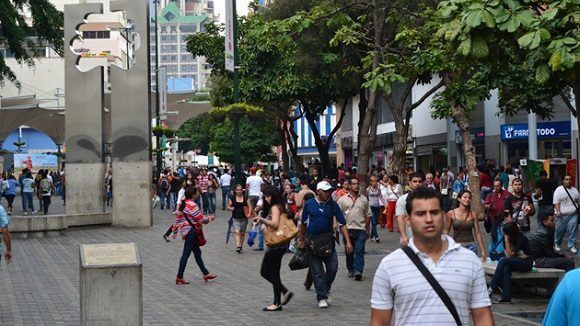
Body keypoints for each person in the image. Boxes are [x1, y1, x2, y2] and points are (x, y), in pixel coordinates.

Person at [370, 187, 493, 325]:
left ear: (443, 215)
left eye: (434, 212)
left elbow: (483, 316)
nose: (428, 219)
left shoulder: (469, 261)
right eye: (420, 214)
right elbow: (379, 321)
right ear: (408, 220)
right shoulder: (389, 265)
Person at [298, 181, 353, 308]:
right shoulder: (310, 205)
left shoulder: (333, 205)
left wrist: (348, 241)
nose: (328, 193)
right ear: (318, 191)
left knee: (333, 267)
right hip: (312, 241)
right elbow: (304, 223)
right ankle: (321, 297)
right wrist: (301, 240)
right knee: (317, 271)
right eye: (325, 191)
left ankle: (325, 287)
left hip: (328, 240)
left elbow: (342, 223)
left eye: (329, 191)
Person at [254, 185, 294, 311]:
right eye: (264, 196)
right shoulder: (279, 206)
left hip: (276, 244)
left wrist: (262, 219)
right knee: (273, 272)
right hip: (279, 244)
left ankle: (279, 300)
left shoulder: (275, 208)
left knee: (266, 272)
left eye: (268, 196)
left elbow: (275, 224)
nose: (266, 199)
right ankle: (281, 296)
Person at [173, 186, 217, 284]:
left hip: (186, 231)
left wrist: (175, 230)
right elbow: (202, 220)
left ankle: (205, 273)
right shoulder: (193, 205)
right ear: (193, 195)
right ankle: (179, 276)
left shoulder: (184, 204)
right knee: (186, 255)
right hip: (191, 232)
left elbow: (178, 218)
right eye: (197, 192)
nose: (198, 193)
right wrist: (210, 218)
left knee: (197, 253)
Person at [488, 221, 534, 303]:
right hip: (516, 261)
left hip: (526, 262)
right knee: (506, 268)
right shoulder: (509, 238)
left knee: (503, 260)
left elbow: (510, 256)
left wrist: (506, 240)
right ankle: (506, 296)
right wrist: (506, 240)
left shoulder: (521, 238)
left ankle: (492, 288)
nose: (502, 234)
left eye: (504, 232)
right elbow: (507, 254)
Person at [338, 178, 371, 280]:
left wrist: (367, 230)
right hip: (347, 229)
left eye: (358, 184)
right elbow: (338, 215)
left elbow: (368, 215)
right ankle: (350, 269)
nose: (356, 186)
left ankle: (358, 271)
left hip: (360, 228)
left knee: (359, 250)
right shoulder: (342, 200)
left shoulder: (364, 199)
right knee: (349, 251)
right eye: (354, 184)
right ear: (349, 186)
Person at [445, 190, 487, 261]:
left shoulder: (473, 214)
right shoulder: (451, 213)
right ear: (459, 199)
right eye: (465, 197)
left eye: (469, 198)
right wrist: (444, 247)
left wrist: (483, 250)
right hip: (457, 246)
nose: (467, 199)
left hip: (471, 246)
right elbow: (446, 231)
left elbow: (477, 232)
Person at [552, 174, 579, 254]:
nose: (568, 181)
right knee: (559, 231)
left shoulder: (575, 190)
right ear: (563, 181)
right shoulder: (559, 190)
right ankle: (557, 243)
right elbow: (556, 202)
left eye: (570, 179)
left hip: (573, 215)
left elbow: (578, 201)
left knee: (572, 231)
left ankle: (571, 245)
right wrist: (558, 211)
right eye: (566, 179)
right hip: (561, 216)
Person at [396, 172, 424, 246]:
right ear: (409, 183)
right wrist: (404, 236)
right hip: (409, 238)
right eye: (415, 181)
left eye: (420, 181)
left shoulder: (428, 199)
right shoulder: (403, 199)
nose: (417, 183)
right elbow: (400, 218)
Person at [227, 184, 252, 253]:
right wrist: (231, 208)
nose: (239, 191)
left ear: (242, 190)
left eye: (240, 190)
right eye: (237, 190)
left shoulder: (245, 198)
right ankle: (238, 246)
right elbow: (228, 206)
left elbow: (250, 206)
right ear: (235, 191)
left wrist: (249, 213)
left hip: (244, 218)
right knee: (237, 232)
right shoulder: (232, 198)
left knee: (242, 233)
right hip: (235, 218)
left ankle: (240, 245)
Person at [366, 176, 384, 242]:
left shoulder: (378, 189)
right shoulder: (368, 189)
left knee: (375, 222)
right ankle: (376, 236)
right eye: (373, 181)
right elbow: (366, 198)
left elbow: (381, 197)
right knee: (373, 222)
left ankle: (371, 235)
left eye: (376, 181)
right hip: (371, 207)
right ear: (371, 182)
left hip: (377, 207)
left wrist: (385, 204)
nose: (375, 183)